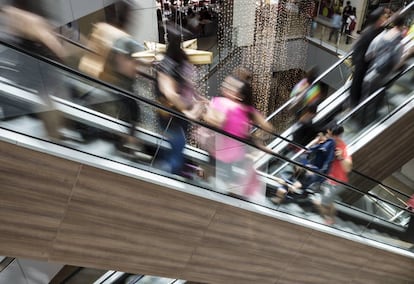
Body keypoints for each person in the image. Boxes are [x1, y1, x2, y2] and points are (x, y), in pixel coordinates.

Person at [1, 1, 68, 141]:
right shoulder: (33, 19)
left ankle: (52, 135)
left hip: (30, 70)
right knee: (45, 101)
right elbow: (59, 51)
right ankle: (53, 136)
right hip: (37, 70)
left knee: (43, 102)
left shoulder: (19, 15)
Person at [202, 74, 273, 199]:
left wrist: (207, 110)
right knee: (229, 185)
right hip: (234, 155)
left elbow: (216, 121)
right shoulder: (248, 110)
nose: (225, 87)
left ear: (239, 94)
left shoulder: (220, 102)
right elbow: (268, 127)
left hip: (218, 151)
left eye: (230, 86)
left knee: (210, 181)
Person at [155, 25, 205, 175]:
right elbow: (169, 93)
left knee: (179, 141)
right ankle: (169, 173)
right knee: (177, 142)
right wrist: (186, 111)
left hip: (180, 113)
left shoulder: (182, 59)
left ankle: (175, 167)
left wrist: (197, 97)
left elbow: (188, 83)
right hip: (171, 113)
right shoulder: (167, 64)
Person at [348, 7, 387, 108]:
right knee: (357, 83)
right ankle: (354, 104)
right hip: (362, 63)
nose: (385, 19)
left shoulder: (378, 30)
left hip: (367, 62)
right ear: (378, 19)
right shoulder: (369, 32)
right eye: (383, 18)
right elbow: (358, 48)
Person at [315, 123, 352, 225]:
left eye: (329, 134)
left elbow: (348, 168)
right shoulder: (330, 142)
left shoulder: (342, 147)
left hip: (337, 182)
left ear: (335, 136)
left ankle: (328, 220)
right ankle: (331, 218)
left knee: (319, 202)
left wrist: (340, 157)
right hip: (329, 178)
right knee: (330, 202)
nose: (327, 135)